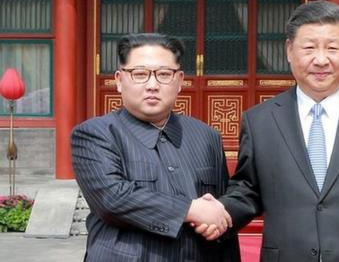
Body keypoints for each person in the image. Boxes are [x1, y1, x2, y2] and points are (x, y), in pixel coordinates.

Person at [197, 0, 339, 262]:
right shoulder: (261, 121)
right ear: (289, 51)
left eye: (332, 48)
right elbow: (248, 190)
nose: (321, 59)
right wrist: (220, 212)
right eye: (309, 47)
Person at [70, 33, 240, 262]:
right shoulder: (95, 134)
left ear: (180, 81)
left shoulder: (206, 136)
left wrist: (216, 226)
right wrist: (190, 209)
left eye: (164, 74)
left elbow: (217, 209)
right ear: (119, 80)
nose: (152, 85)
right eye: (140, 74)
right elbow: (112, 198)